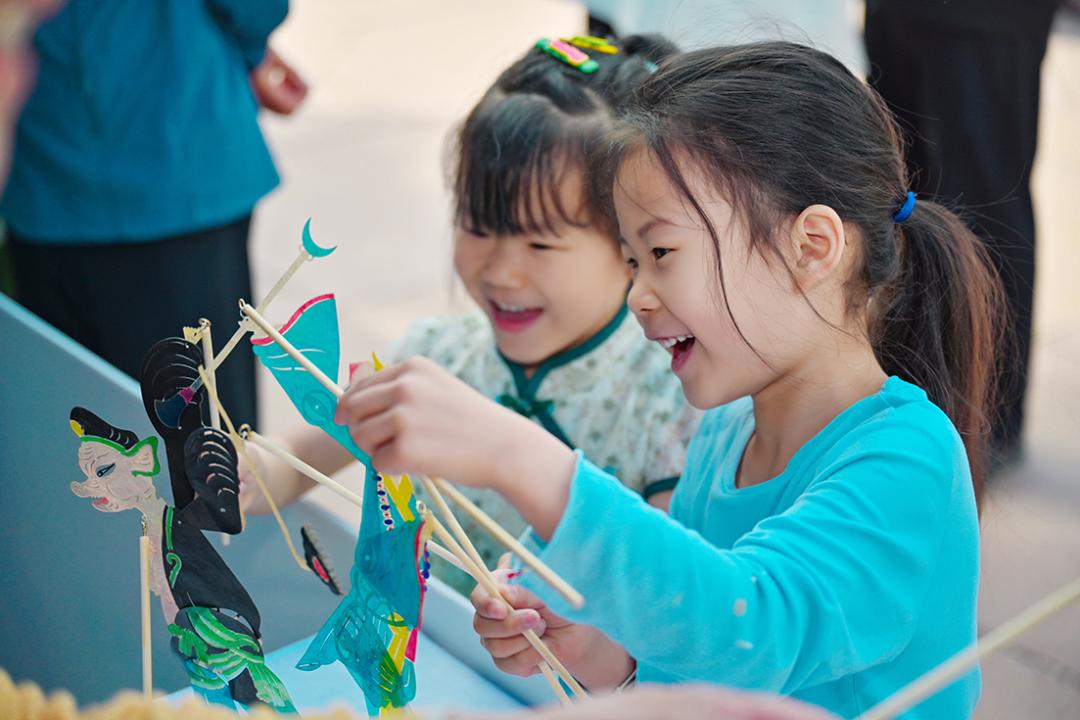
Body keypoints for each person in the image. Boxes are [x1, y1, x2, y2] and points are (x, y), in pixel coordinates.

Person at [334, 42, 1003, 718]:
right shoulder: (723, 432)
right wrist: (602, 651)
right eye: (631, 260)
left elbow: (751, 631)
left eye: (661, 252)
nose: (638, 295)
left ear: (811, 248)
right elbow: (695, 664)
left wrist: (518, 455)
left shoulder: (908, 457)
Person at [244, 34, 698, 582]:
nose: (500, 271)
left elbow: (666, 584)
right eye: (477, 228)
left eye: (540, 244)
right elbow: (302, 459)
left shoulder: (666, 400)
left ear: (632, 246)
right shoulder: (437, 359)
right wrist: (249, 472)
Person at [1, 0, 307, 427]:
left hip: (47, 166)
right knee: (201, 444)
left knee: (74, 432)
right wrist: (249, 45)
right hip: (168, 150)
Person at [864, 0, 1063, 467]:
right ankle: (911, 389)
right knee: (896, 192)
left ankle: (989, 414)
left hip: (986, 17)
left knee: (985, 202)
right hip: (900, 13)